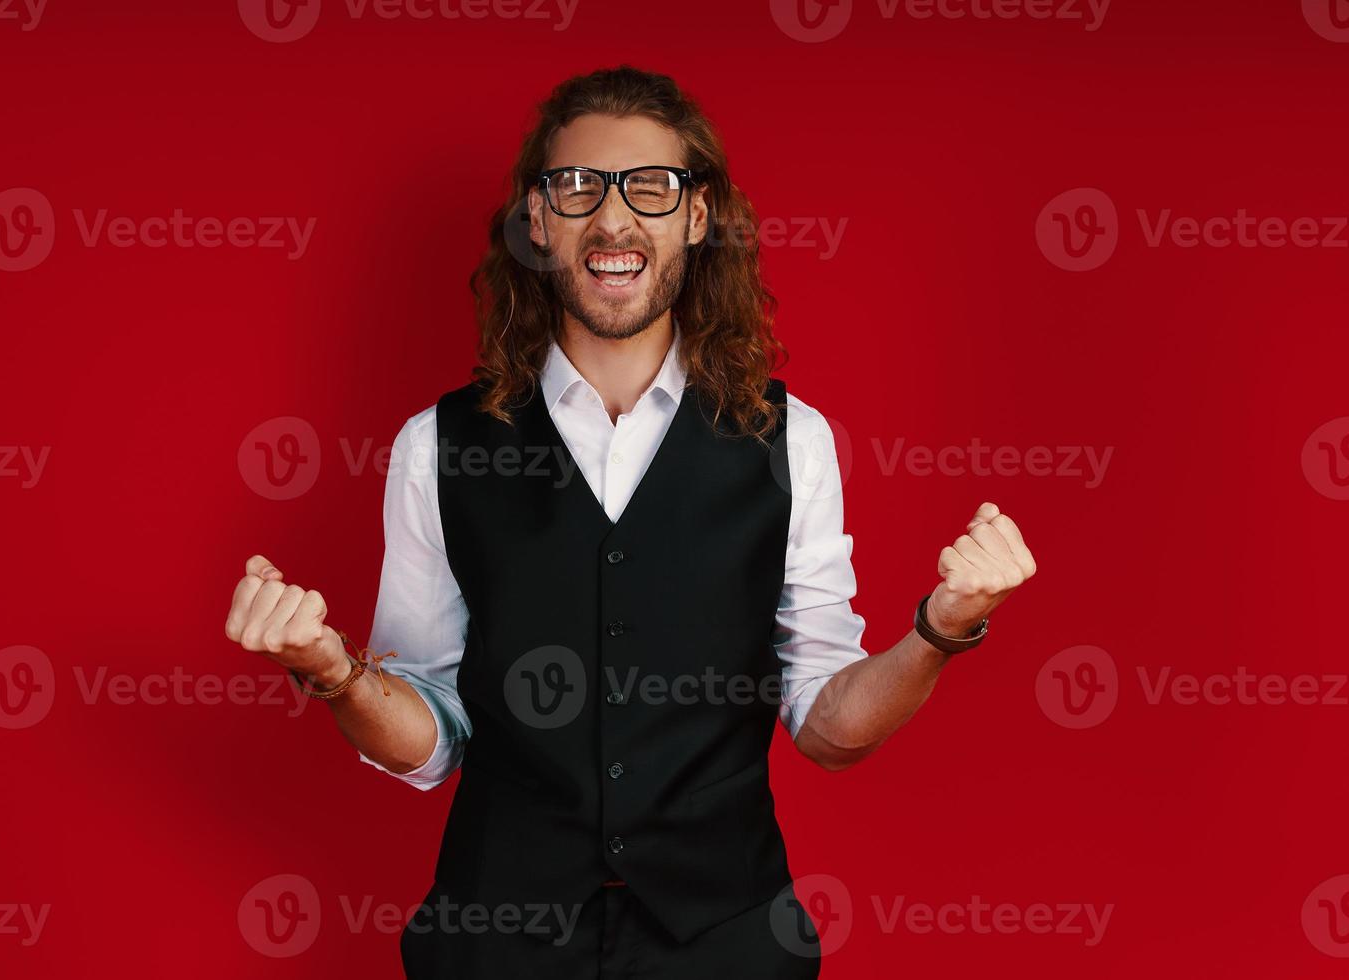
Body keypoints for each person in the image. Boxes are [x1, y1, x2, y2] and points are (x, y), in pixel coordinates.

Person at [223, 65, 1037, 979]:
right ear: (537, 222)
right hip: (496, 945)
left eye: (651, 187)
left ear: (697, 217)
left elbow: (826, 727)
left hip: (726, 944)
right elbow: (431, 736)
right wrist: (333, 675)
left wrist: (940, 630)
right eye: (577, 188)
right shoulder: (437, 447)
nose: (614, 220)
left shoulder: (790, 440)